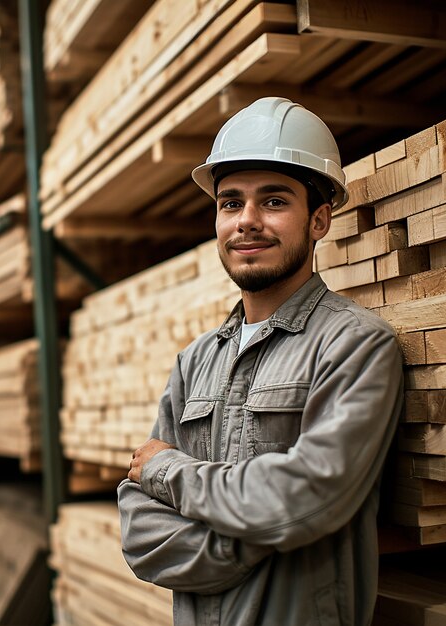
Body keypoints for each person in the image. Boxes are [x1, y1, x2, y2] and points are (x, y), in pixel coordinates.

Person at [117, 97, 404, 625]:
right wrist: (256, 535)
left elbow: (307, 498)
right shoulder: (195, 362)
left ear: (319, 220)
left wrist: (168, 470)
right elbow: (140, 535)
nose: (247, 222)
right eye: (230, 203)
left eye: (274, 201)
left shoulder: (356, 346)